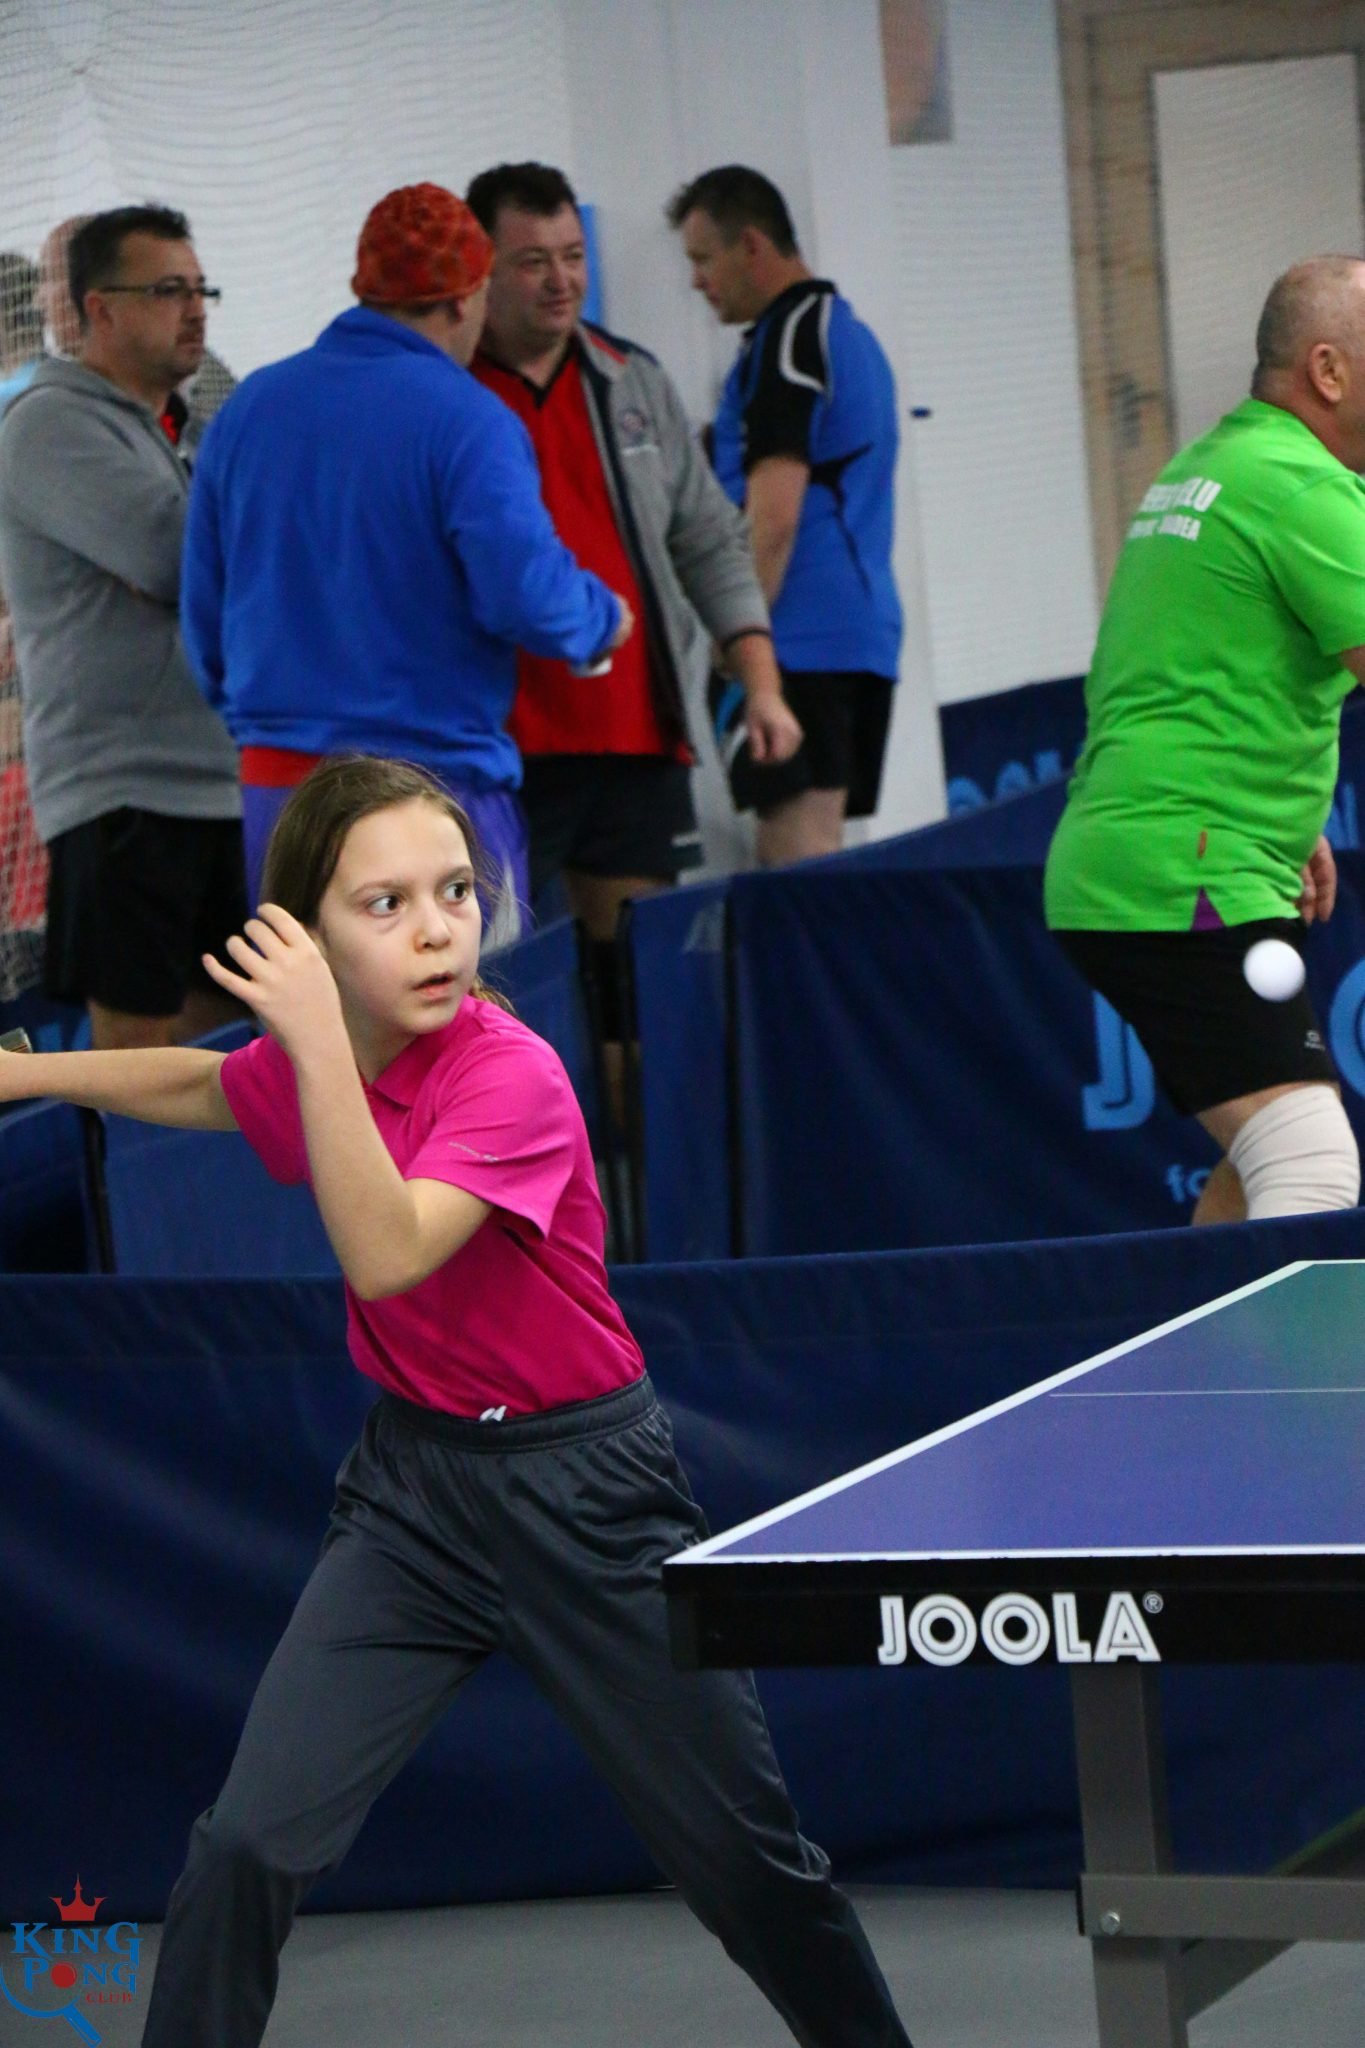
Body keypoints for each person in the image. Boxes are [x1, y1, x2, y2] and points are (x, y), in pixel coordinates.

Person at [0, 754, 916, 2048]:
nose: (437, 929)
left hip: (586, 1497)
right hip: (413, 1500)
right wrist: (30, 1078)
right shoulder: (332, 1062)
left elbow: (387, 1250)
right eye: (385, 904)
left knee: (748, 1869)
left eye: (454, 891)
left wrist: (314, 1042)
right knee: (248, 1844)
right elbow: (214, 1084)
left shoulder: (509, 1075)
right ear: (308, 933)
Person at [182, 182, 633, 943]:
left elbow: (205, 620)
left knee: (311, 1013)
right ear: (466, 298)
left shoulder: (249, 410)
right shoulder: (468, 418)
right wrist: (600, 619)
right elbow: (525, 595)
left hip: (280, 795)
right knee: (460, 1013)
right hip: (430, 793)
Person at [1044, 256, 1365, 1224]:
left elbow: (1179, 671)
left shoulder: (1210, 467)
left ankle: (1193, 1324)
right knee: (1311, 1171)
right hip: (1183, 874)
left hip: (1155, 854)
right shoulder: (1301, 489)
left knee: (1260, 1160)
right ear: (1328, 370)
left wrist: (1281, 817)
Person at [465, 160, 799, 940]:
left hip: (633, 739)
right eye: (533, 261)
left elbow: (709, 540)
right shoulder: (447, 391)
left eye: (572, 256)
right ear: (480, 269)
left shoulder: (632, 380)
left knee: (636, 977)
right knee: (485, 980)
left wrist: (761, 684)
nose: (560, 281)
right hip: (497, 750)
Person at [0, 205, 244, 1050]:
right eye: (169, 291)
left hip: (216, 779)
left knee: (228, 1042)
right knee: (140, 1059)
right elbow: (173, 559)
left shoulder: (178, 430)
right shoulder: (48, 424)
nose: (196, 310)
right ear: (99, 309)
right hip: (124, 794)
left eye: (200, 289)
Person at [668, 165, 903, 864]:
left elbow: (773, 517)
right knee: (819, 852)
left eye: (703, 259)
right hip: (856, 634)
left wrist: (738, 635)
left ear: (751, 246)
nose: (696, 281)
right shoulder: (846, 334)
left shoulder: (790, 340)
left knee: (795, 857)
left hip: (798, 639)